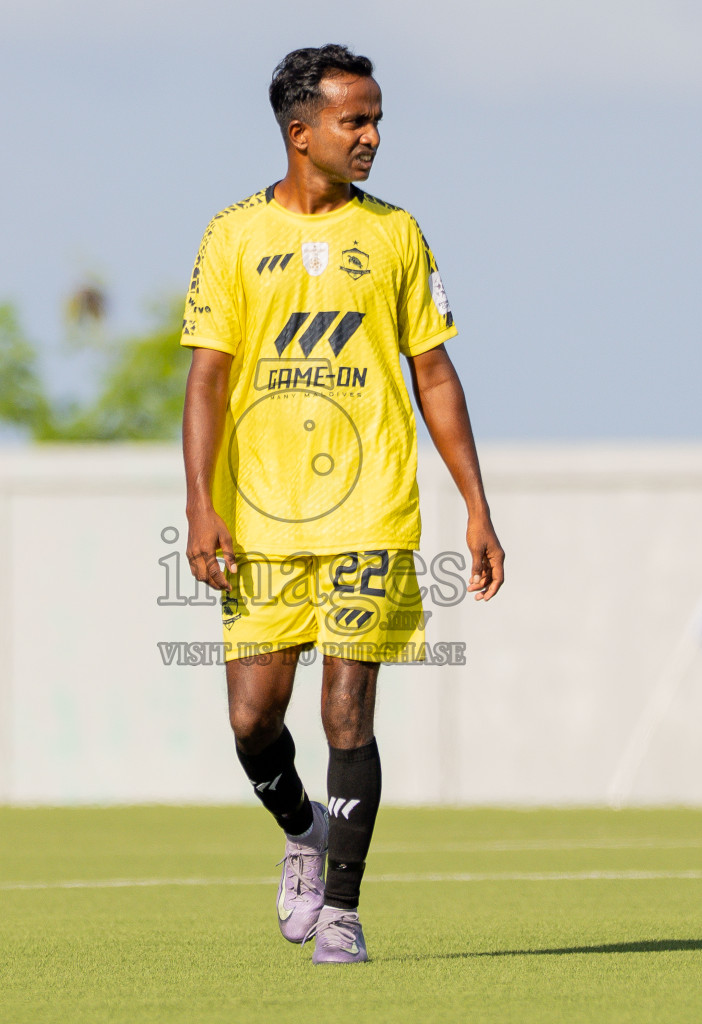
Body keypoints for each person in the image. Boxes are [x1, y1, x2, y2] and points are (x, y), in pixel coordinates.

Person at [180, 43, 504, 965]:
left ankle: (345, 910)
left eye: (375, 121)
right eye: (353, 121)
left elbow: (433, 372)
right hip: (262, 516)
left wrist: (476, 506)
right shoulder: (233, 235)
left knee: (348, 716)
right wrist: (201, 508)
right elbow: (207, 382)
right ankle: (303, 832)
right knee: (252, 724)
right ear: (300, 131)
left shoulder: (397, 235)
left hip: (370, 512)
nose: (370, 138)